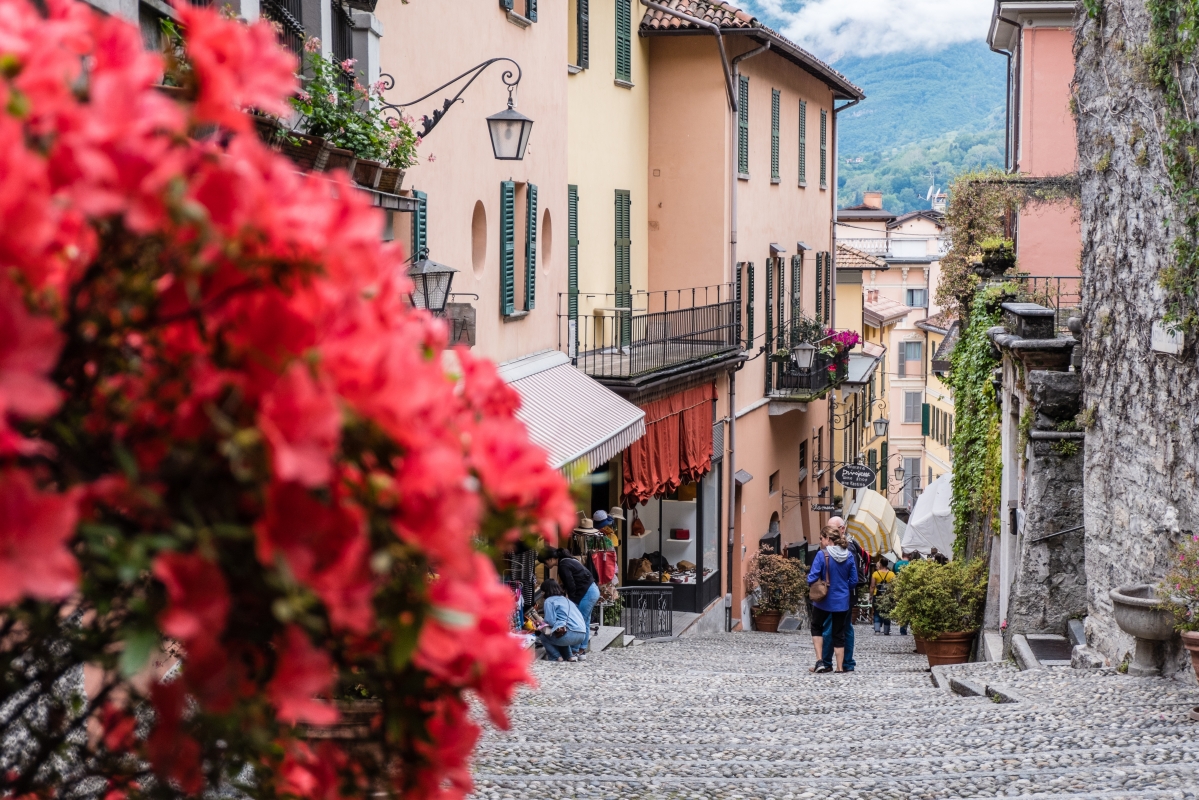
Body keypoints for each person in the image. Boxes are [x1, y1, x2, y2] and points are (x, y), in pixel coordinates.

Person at [808, 524, 858, 673]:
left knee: (817, 626)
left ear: (828, 539)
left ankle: (820, 661)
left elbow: (812, 577)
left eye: (822, 538)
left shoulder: (822, 555)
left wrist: (815, 583)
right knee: (839, 633)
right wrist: (843, 588)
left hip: (823, 600)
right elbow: (854, 580)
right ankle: (840, 667)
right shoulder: (849, 555)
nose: (821, 541)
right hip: (842, 601)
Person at [539, 548, 599, 658]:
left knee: (580, 620)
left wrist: (571, 603)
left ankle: (575, 651)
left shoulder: (563, 565)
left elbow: (571, 585)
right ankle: (581, 650)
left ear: (551, 559)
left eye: (545, 562)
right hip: (592, 590)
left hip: (587, 593)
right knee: (584, 621)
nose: (545, 565)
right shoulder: (568, 560)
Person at [535, 579, 587, 662]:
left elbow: (550, 621)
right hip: (582, 635)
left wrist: (541, 622)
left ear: (546, 591)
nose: (541, 594)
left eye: (542, 591)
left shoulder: (549, 601)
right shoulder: (566, 599)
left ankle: (556, 657)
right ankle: (570, 656)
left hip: (569, 635)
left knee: (543, 635)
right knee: (559, 633)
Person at [871, 556, 896, 635]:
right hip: (888, 596)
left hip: (877, 595)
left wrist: (871, 595)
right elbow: (894, 586)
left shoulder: (875, 573)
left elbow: (872, 586)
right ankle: (886, 630)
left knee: (877, 612)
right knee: (887, 612)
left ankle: (877, 630)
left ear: (880, 564)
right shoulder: (891, 574)